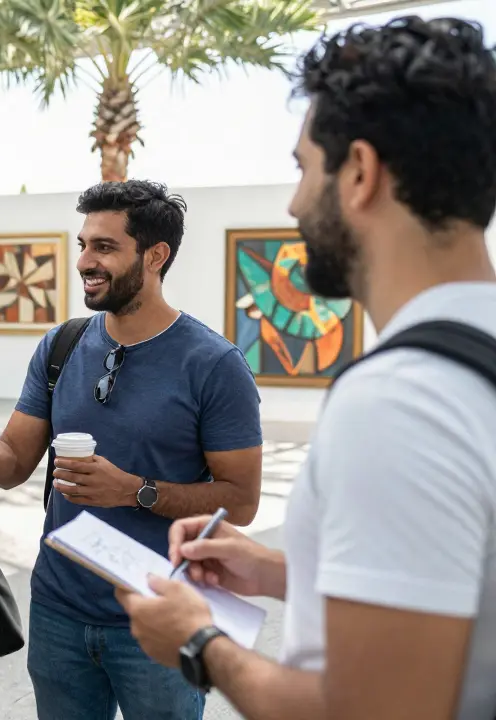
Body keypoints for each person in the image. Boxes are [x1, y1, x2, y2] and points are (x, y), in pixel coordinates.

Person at [116, 16, 496, 720]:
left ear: (358, 172)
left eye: (302, 168)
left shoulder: (399, 401)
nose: (293, 203)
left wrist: (198, 641)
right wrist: (282, 574)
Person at [0, 180, 263, 719]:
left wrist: (134, 491)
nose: (85, 262)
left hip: (159, 617)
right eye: (83, 245)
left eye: (105, 248)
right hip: (59, 614)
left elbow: (242, 501)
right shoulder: (62, 346)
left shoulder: (213, 364)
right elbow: (13, 463)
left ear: (156, 256)